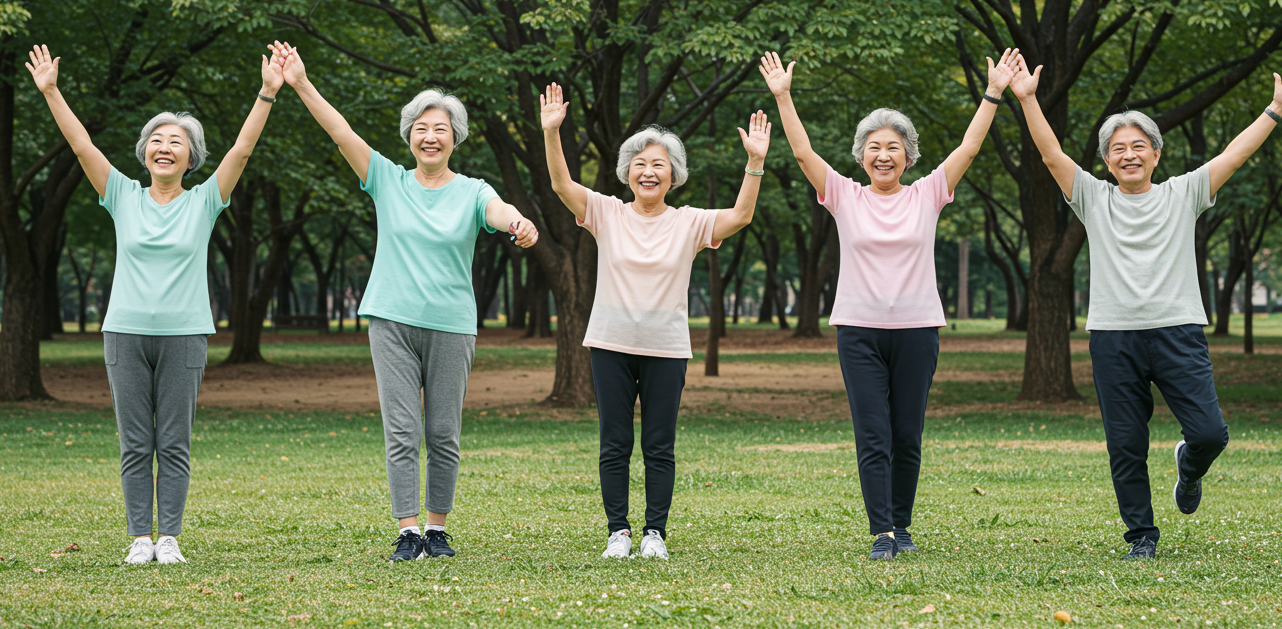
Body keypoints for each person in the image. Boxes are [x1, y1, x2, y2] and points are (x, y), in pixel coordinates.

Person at [1011, 54, 1282, 559]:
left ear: (1156, 154)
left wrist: (1275, 110)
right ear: (1107, 161)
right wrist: (1026, 98)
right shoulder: (1092, 198)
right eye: (1117, 150)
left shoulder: (1183, 192)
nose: (1128, 155)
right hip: (1114, 337)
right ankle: (1142, 537)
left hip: (1178, 333)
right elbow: (1050, 155)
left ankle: (1188, 467)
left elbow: (1234, 156)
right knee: (1125, 445)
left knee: (1209, 433)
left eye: (1138, 147)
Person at [269, 42, 539, 562]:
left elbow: (501, 209)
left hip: (451, 324)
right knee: (401, 429)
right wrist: (301, 83)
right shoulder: (387, 180)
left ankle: (437, 529)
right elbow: (340, 131)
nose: (430, 135)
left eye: (440, 128)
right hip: (391, 321)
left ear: (454, 138)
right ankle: (408, 529)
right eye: (421, 127)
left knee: (442, 431)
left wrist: (519, 223)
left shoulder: (472, 191)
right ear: (409, 136)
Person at [26, 44, 280, 565]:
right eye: (157, 141)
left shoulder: (206, 200)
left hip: (185, 335)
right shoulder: (121, 195)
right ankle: (140, 537)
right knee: (136, 442)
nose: (166, 148)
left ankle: (170, 538)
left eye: (177, 142)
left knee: (175, 442)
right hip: (125, 333)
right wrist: (52, 91)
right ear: (145, 152)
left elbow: (242, 151)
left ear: (191, 156)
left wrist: (266, 94)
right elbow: (81, 146)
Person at [759, 49, 1018, 560]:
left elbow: (968, 147)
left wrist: (993, 93)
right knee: (873, 433)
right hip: (858, 331)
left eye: (893, 147)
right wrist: (784, 98)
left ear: (908, 155)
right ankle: (882, 532)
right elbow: (805, 155)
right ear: (861, 156)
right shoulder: (843, 195)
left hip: (918, 330)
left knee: (907, 434)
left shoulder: (927, 194)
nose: (883, 155)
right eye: (874, 147)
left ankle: (902, 524)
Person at [538, 83, 769, 560]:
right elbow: (562, 185)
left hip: (666, 347)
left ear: (673, 175)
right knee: (615, 443)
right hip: (610, 343)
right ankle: (618, 532)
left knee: (659, 446)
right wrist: (552, 133)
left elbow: (742, 215)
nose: (648, 171)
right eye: (640, 164)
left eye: (658, 164)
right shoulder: (606, 212)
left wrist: (755, 162)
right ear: (627, 172)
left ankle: (654, 534)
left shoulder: (690, 222)